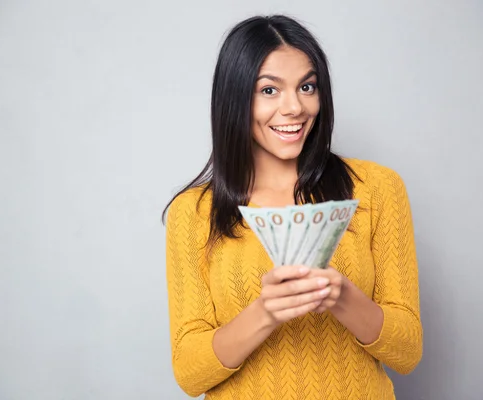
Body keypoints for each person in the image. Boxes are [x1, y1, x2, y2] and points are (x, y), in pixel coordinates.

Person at [162, 14, 422, 400]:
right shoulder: (194, 213)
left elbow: (407, 352)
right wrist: (266, 312)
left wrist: (340, 297)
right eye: (269, 90)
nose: (295, 108)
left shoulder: (377, 189)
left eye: (307, 86)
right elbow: (189, 373)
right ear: (235, 98)